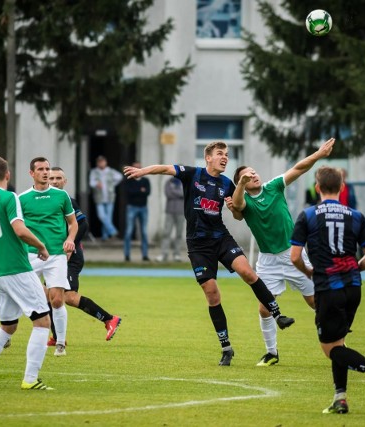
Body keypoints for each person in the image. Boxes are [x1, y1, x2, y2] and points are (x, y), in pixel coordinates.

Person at [123, 141, 295, 366]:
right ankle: (226, 348)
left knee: (248, 272)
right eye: (220, 154)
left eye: (227, 154)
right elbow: (165, 168)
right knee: (212, 293)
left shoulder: (227, 184)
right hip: (198, 245)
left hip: (221, 238)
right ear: (208, 158)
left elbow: (239, 215)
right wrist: (142, 171)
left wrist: (234, 209)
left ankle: (278, 315)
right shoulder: (192, 174)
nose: (224, 157)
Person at [289, 165, 365, 414]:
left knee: (331, 349)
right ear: (342, 187)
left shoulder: (308, 215)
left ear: (317, 188)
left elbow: (295, 257)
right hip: (353, 287)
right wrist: (355, 269)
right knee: (339, 343)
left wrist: (309, 272)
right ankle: (340, 399)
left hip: (329, 287)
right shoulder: (356, 216)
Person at [228, 138, 335, 367]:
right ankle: (271, 353)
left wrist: (318, 154)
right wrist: (240, 184)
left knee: (314, 302)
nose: (254, 176)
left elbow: (298, 168)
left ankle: (338, 344)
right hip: (267, 260)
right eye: (247, 176)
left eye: (254, 172)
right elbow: (237, 207)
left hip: (292, 253)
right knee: (264, 308)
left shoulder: (274, 186)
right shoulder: (243, 200)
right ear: (241, 184)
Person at [0, 156, 53, 390]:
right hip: (17, 269)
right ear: (8, 175)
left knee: (8, 326)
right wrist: (40, 246)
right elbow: (20, 229)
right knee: (42, 321)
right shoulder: (9, 197)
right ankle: (30, 379)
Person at [48, 167, 122, 343]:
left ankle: (109, 319)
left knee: (69, 297)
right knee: (50, 295)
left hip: (70, 256)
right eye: (52, 178)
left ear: (65, 182)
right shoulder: (47, 201)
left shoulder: (68, 201)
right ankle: (57, 337)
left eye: (59, 178)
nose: (55, 181)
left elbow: (83, 225)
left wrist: (70, 246)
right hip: (55, 256)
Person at [19, 157, 77, 357]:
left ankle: (60, 343)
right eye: (41, 169)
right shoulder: (22, 199)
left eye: (47, 168)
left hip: (56, 255)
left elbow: (73, 223)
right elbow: (17, 228)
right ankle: (7, 331)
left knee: (58, 300)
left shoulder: (61, 196)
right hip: (31, 254)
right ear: (31, 173)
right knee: (20, 293)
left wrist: (70, 239)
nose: (45, 172)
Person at [89, 155, 124, 240]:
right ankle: (113, 231)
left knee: (108, 218)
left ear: (105, 162)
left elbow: (120, 177)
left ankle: (105, 236)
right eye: (99, 162)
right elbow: (91, 183)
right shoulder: (94, 172)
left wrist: (112, 185)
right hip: (99, 198)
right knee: (101, 216)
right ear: (97, 163)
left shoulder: (110, 171)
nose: (101, 163)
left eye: (102, 161)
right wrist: (96, 184)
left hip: (110, 197)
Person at [123, 161, 151, 262]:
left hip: (143, 208)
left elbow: (147, 192)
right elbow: (129, 192)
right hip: (132, 207)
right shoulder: (129, 180)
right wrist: (140, 190)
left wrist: (137, 191)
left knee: (144, 232)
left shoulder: (146, 180)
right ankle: (127, 255)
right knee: (129, 232)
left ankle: (145, 255)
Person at [156, 176, 185, 262]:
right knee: (166, 233)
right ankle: (163, 254)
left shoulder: (185, 182)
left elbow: (185, 194)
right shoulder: (169, 182)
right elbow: (168, 194)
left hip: (181, 212)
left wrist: (175, 192)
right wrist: (179, 194)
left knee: (179, 234)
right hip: (170, 212)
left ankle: (177, 254)